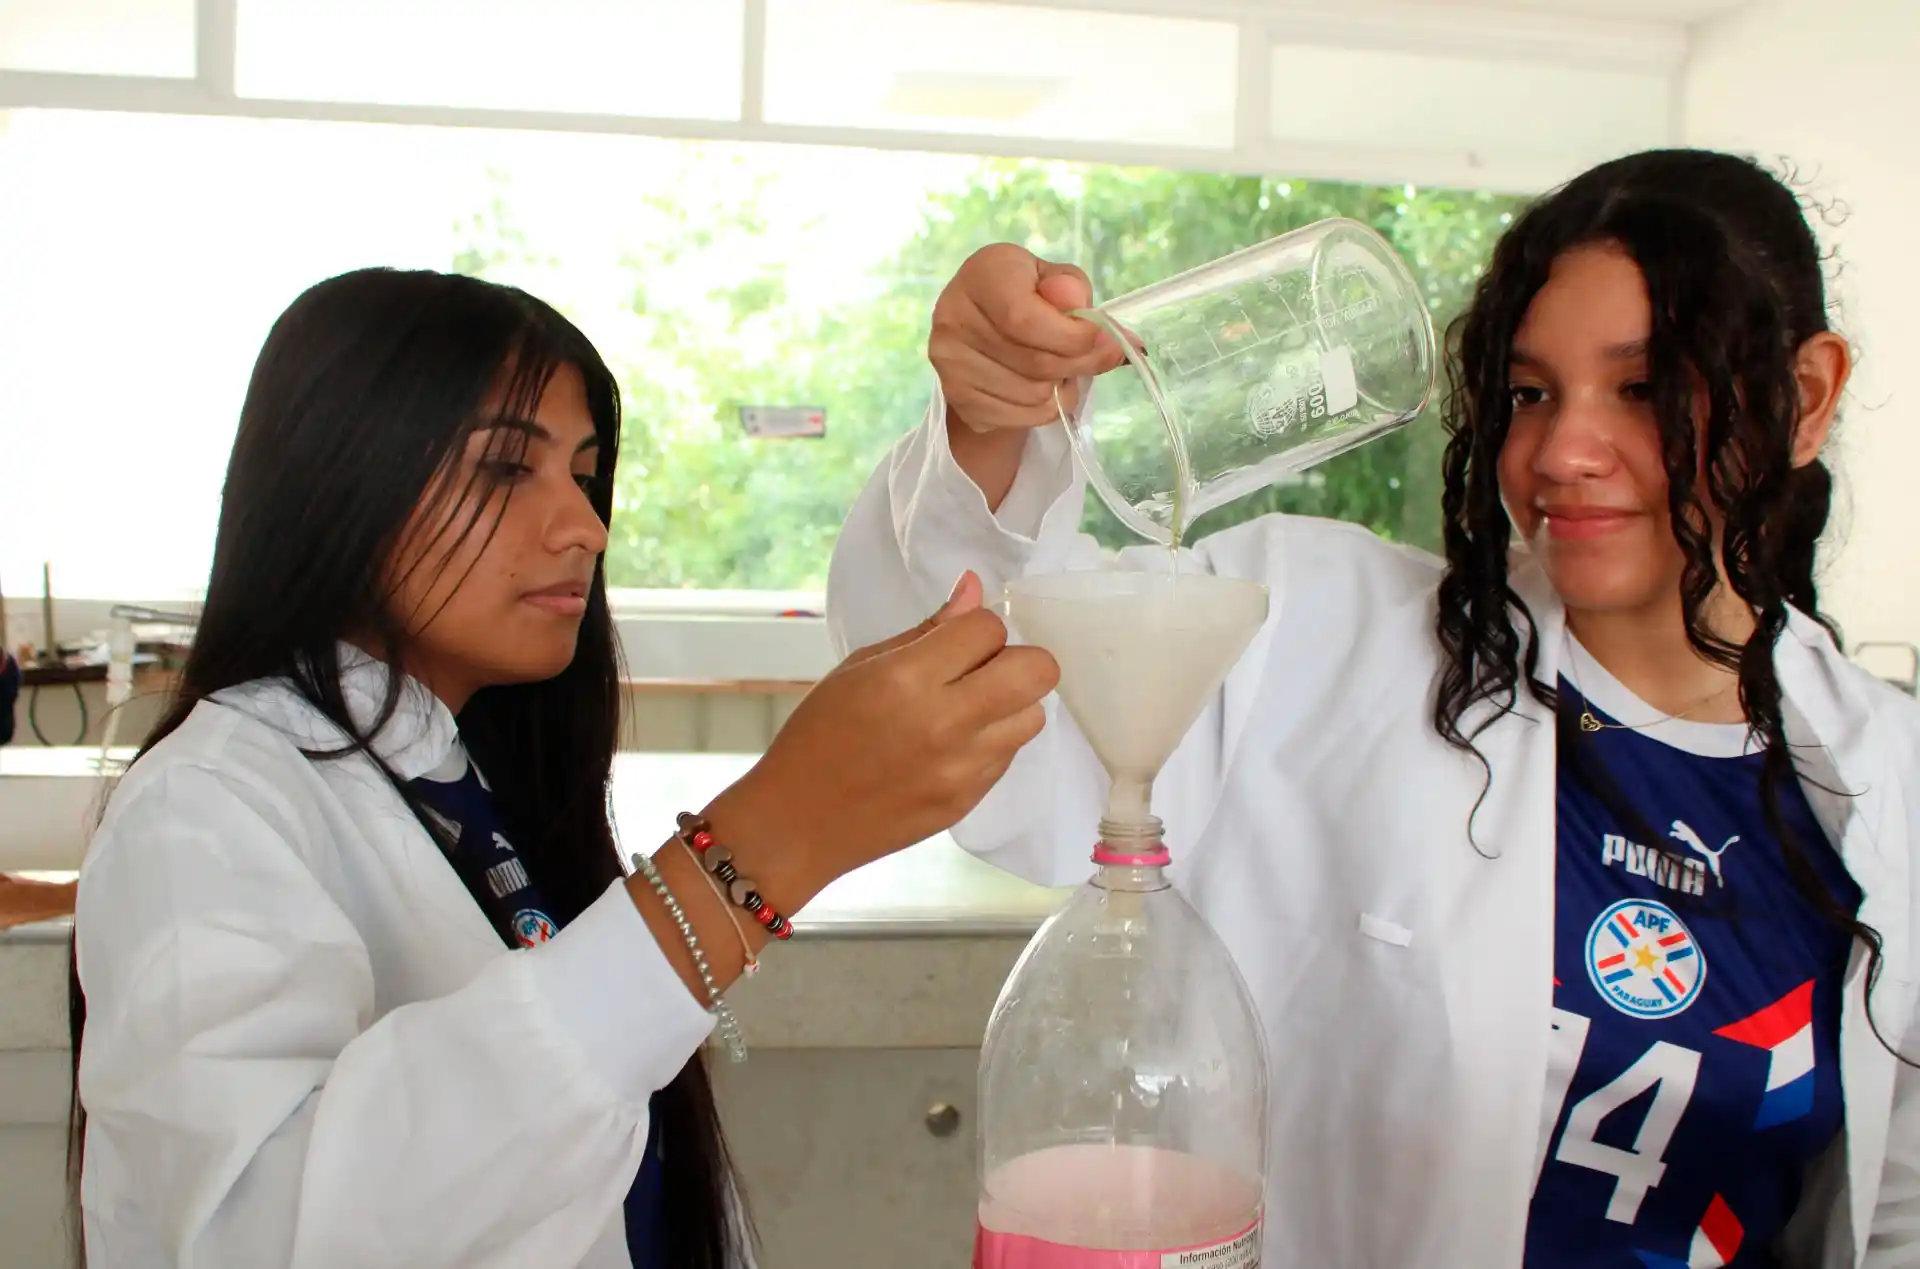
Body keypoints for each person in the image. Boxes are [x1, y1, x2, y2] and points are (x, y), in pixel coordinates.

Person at [827, 149, 1920, 1266]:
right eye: (1531, 392)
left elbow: (1891, 1211)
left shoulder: (1893, 791)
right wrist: (992, 425)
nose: (1564, 452)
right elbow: (965, 705)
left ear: (1810, 395)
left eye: (1644, 389)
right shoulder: (1315, 631)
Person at [70, 268, 1057, 1268]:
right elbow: (262, 1232)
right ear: (336, 477)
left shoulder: (470, 789)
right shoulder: (207, 808)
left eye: (584, 476)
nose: (584, 525)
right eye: (506, 468)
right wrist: (760, 850)